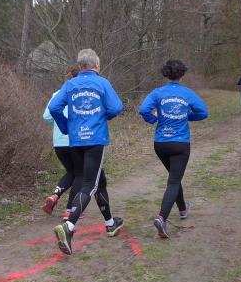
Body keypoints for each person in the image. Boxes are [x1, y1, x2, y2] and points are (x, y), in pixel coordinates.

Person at [49, 49, 125, 255]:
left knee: (100, 181)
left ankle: (110, 223)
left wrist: (66, 127)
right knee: (90, 184)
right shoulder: (102, 83)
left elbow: (54, 108)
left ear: (80, 66)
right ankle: (69, 226)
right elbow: (116, 107)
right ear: (97, 66)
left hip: (75, 141)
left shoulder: (70, 84)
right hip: (95, 140)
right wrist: (102, 117)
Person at [138, 59, 209, 239]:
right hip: (179, 144)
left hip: (161, 144)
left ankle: (183, 209)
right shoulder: (187, 93)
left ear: (166, 74)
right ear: (182, 75)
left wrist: (154, 119)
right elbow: (203, 112)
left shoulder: (157, 93)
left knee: (174, 178)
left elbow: (144, 109)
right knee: (174, 181)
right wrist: (186, 116)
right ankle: (162, 218)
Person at [42, 65, 107, 221]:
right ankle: (70, 210)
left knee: (71, 172)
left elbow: (47, 116)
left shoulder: (57, 94)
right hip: (75, 140)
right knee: (80, 174)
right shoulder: (82, 94)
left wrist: (59, 125)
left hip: (58, 142)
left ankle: (55, 195)